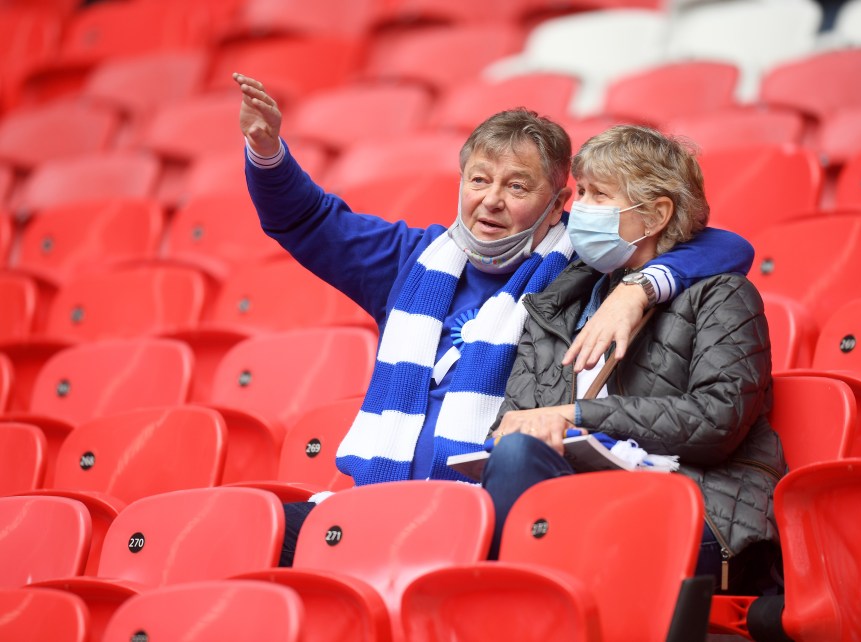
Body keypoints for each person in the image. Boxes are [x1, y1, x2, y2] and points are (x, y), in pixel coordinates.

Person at [234, 74, 756, 566]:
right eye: (479, 180)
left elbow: (724, 244)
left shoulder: (577, 263)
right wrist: (266, 152)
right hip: (375, 504)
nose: (491, 200)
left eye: (517, 187)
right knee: (249, 530)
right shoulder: (409, 260)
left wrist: (640, 289)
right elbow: (306, 219)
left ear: (557, 206)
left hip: (476, 507)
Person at [482, 125, 785, 594]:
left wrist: (577, 416)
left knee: (529, 500)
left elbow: (717, 420)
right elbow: (516, 420)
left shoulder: (723, 296)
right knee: (510, 459)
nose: (579, 208)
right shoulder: (553, 308)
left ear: (657, 214)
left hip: (696, 511)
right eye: (579, 191)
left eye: (599, 195)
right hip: (584, 502)